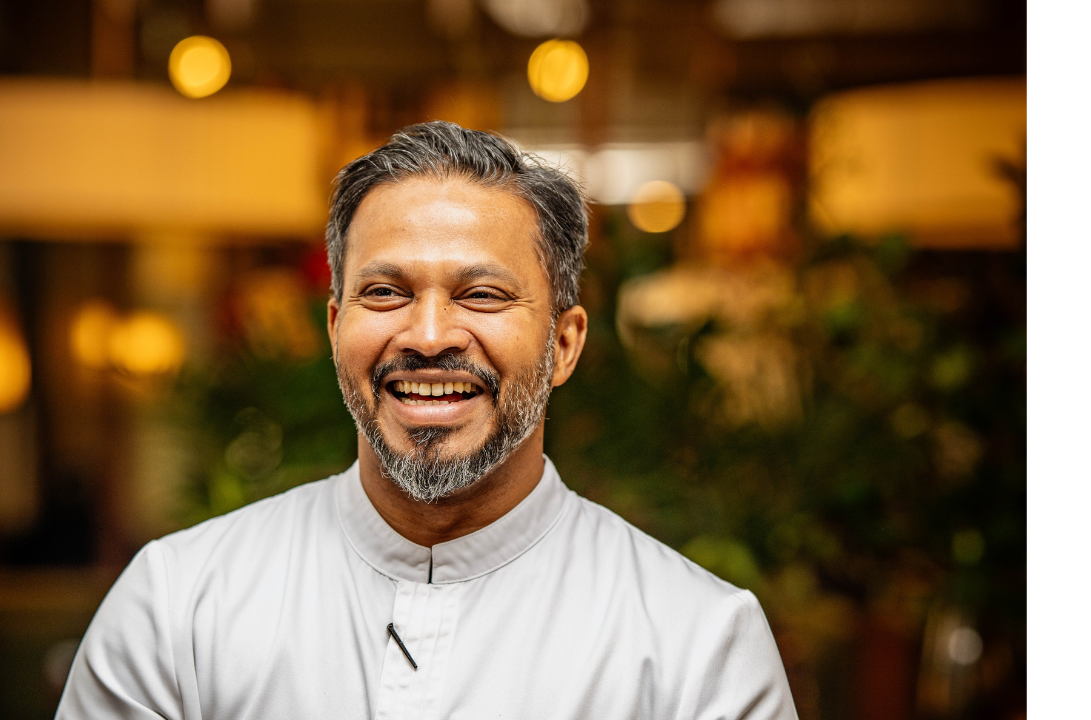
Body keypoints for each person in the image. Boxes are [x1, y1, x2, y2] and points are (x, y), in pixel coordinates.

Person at [55, 121, 798, 720]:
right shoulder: (179, 605)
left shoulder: (697, 643)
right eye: (385, 293)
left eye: (481, 295)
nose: (429, 334)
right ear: (335, 326)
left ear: (564, 344)